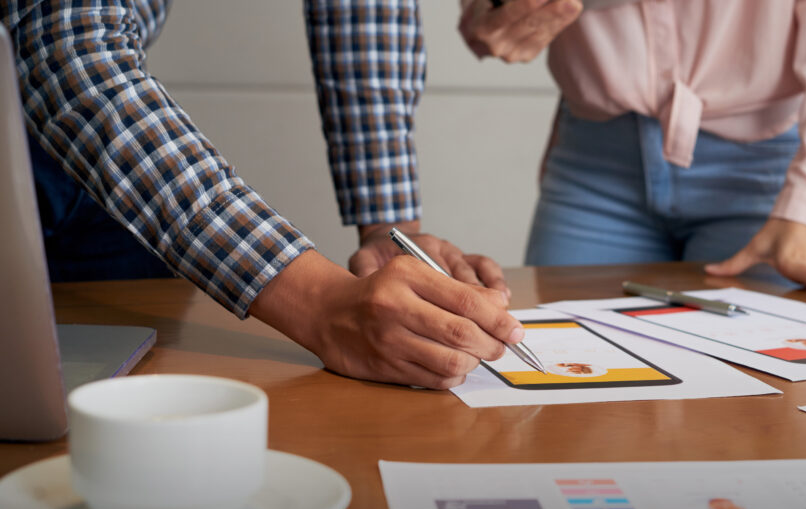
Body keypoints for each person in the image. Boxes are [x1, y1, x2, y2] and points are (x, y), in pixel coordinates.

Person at [2, 0, 523, 390]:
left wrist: (391, 229)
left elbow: (362, 11)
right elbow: (69, 48)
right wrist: (321, 304)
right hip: (81, 110)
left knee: (126, 412)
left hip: (122, 151)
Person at [459, 0, 806, 303]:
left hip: (772, 168)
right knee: (565, 387)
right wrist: (496, 10)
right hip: (596, 162)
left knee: (767, 412)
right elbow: (484, 20)